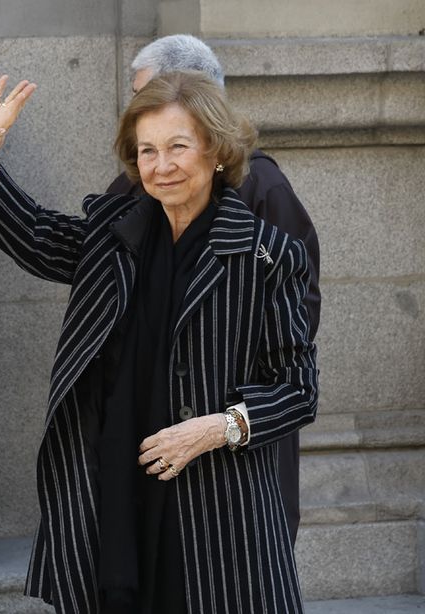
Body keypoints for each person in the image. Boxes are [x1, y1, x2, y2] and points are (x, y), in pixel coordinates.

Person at [0, 72, 318, 613]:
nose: (161, 165)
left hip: (219, 504)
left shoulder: (266, 257)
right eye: (146, 150)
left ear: (216, 150)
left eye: (177, 146)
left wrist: (218, 428)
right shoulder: (112, 235)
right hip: (116, 489)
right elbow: (35, 235)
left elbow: (298, 390)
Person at [105, 34, 320, 546]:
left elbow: (296, 320)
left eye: (148, 94)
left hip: (231, 434)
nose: (140, 111)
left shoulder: (262, 189)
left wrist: (224, 411)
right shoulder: (139, 187)